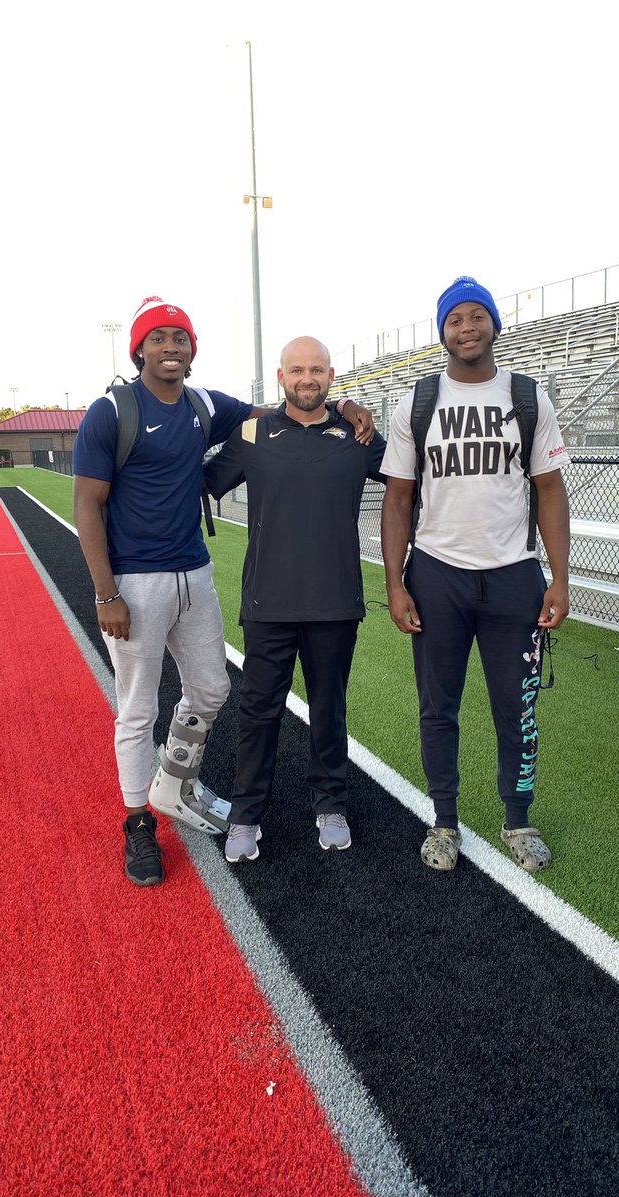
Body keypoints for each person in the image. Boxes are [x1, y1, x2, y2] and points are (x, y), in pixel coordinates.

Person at [72, 299, 375, 887]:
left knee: (212, 689)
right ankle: (139, 824)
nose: (170, 348)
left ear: (192, 348)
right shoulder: (111, 410)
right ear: (139, 348)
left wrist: (341, 403)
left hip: (195, 570)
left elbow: (284, 409)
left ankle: (172, 784)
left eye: (179, 338)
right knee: (138, 708)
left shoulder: (204, 404)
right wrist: (105, 592)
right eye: (158, 339)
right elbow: (87, 502)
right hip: (134, 578)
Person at [380, 277, 570, 873]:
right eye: (455, 318)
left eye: (476, 316)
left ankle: (518, 818)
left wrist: (559, 578)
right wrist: (395, 581)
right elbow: (398, 499)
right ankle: (444, 819)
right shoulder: (418, 399)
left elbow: (550, 491)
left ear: (493, 323)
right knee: (439, 706)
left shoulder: (527, 395)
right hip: (438, 573)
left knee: (518, 704)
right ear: (442, 331)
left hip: (513, 574)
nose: (467, 327)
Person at [203, 336, 386, 864]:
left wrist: (354, 409)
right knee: (258, 711)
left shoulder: (358, 436)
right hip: (269, 603)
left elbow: (407, 481)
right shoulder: (252, 433)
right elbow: (200, 481)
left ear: (332, 375)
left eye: (317, 369)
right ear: (281, 377)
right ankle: (245, 813)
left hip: (335, 603)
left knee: (329, 709)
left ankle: (330, 803)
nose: (308, 378)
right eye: (297, 370)